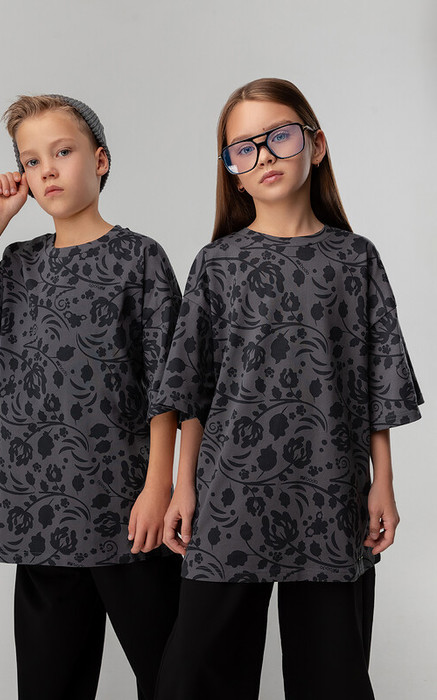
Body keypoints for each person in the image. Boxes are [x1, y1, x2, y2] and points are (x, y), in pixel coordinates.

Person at [153, 78, 423, 700]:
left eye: (279, 136)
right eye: (243, 148)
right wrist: (182, 486)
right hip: (228, 495)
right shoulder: (216, 263)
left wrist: (383, 482)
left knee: (333, 678)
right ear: (232, 173)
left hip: (331, 493)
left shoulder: (356, 259)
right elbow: (192, 392)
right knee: (196, 677)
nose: (264, 156)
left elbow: (377, 382)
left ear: (316, 145)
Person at [0, 94, 182, 700]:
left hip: (129, 513)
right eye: (31, 160)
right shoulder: (20, 265)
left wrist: (159, 486)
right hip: (39, 516)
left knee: (172, 678)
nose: (47, 170)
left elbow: (170, 383)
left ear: (101, 160)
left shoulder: (140, 258)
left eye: (62, 152)